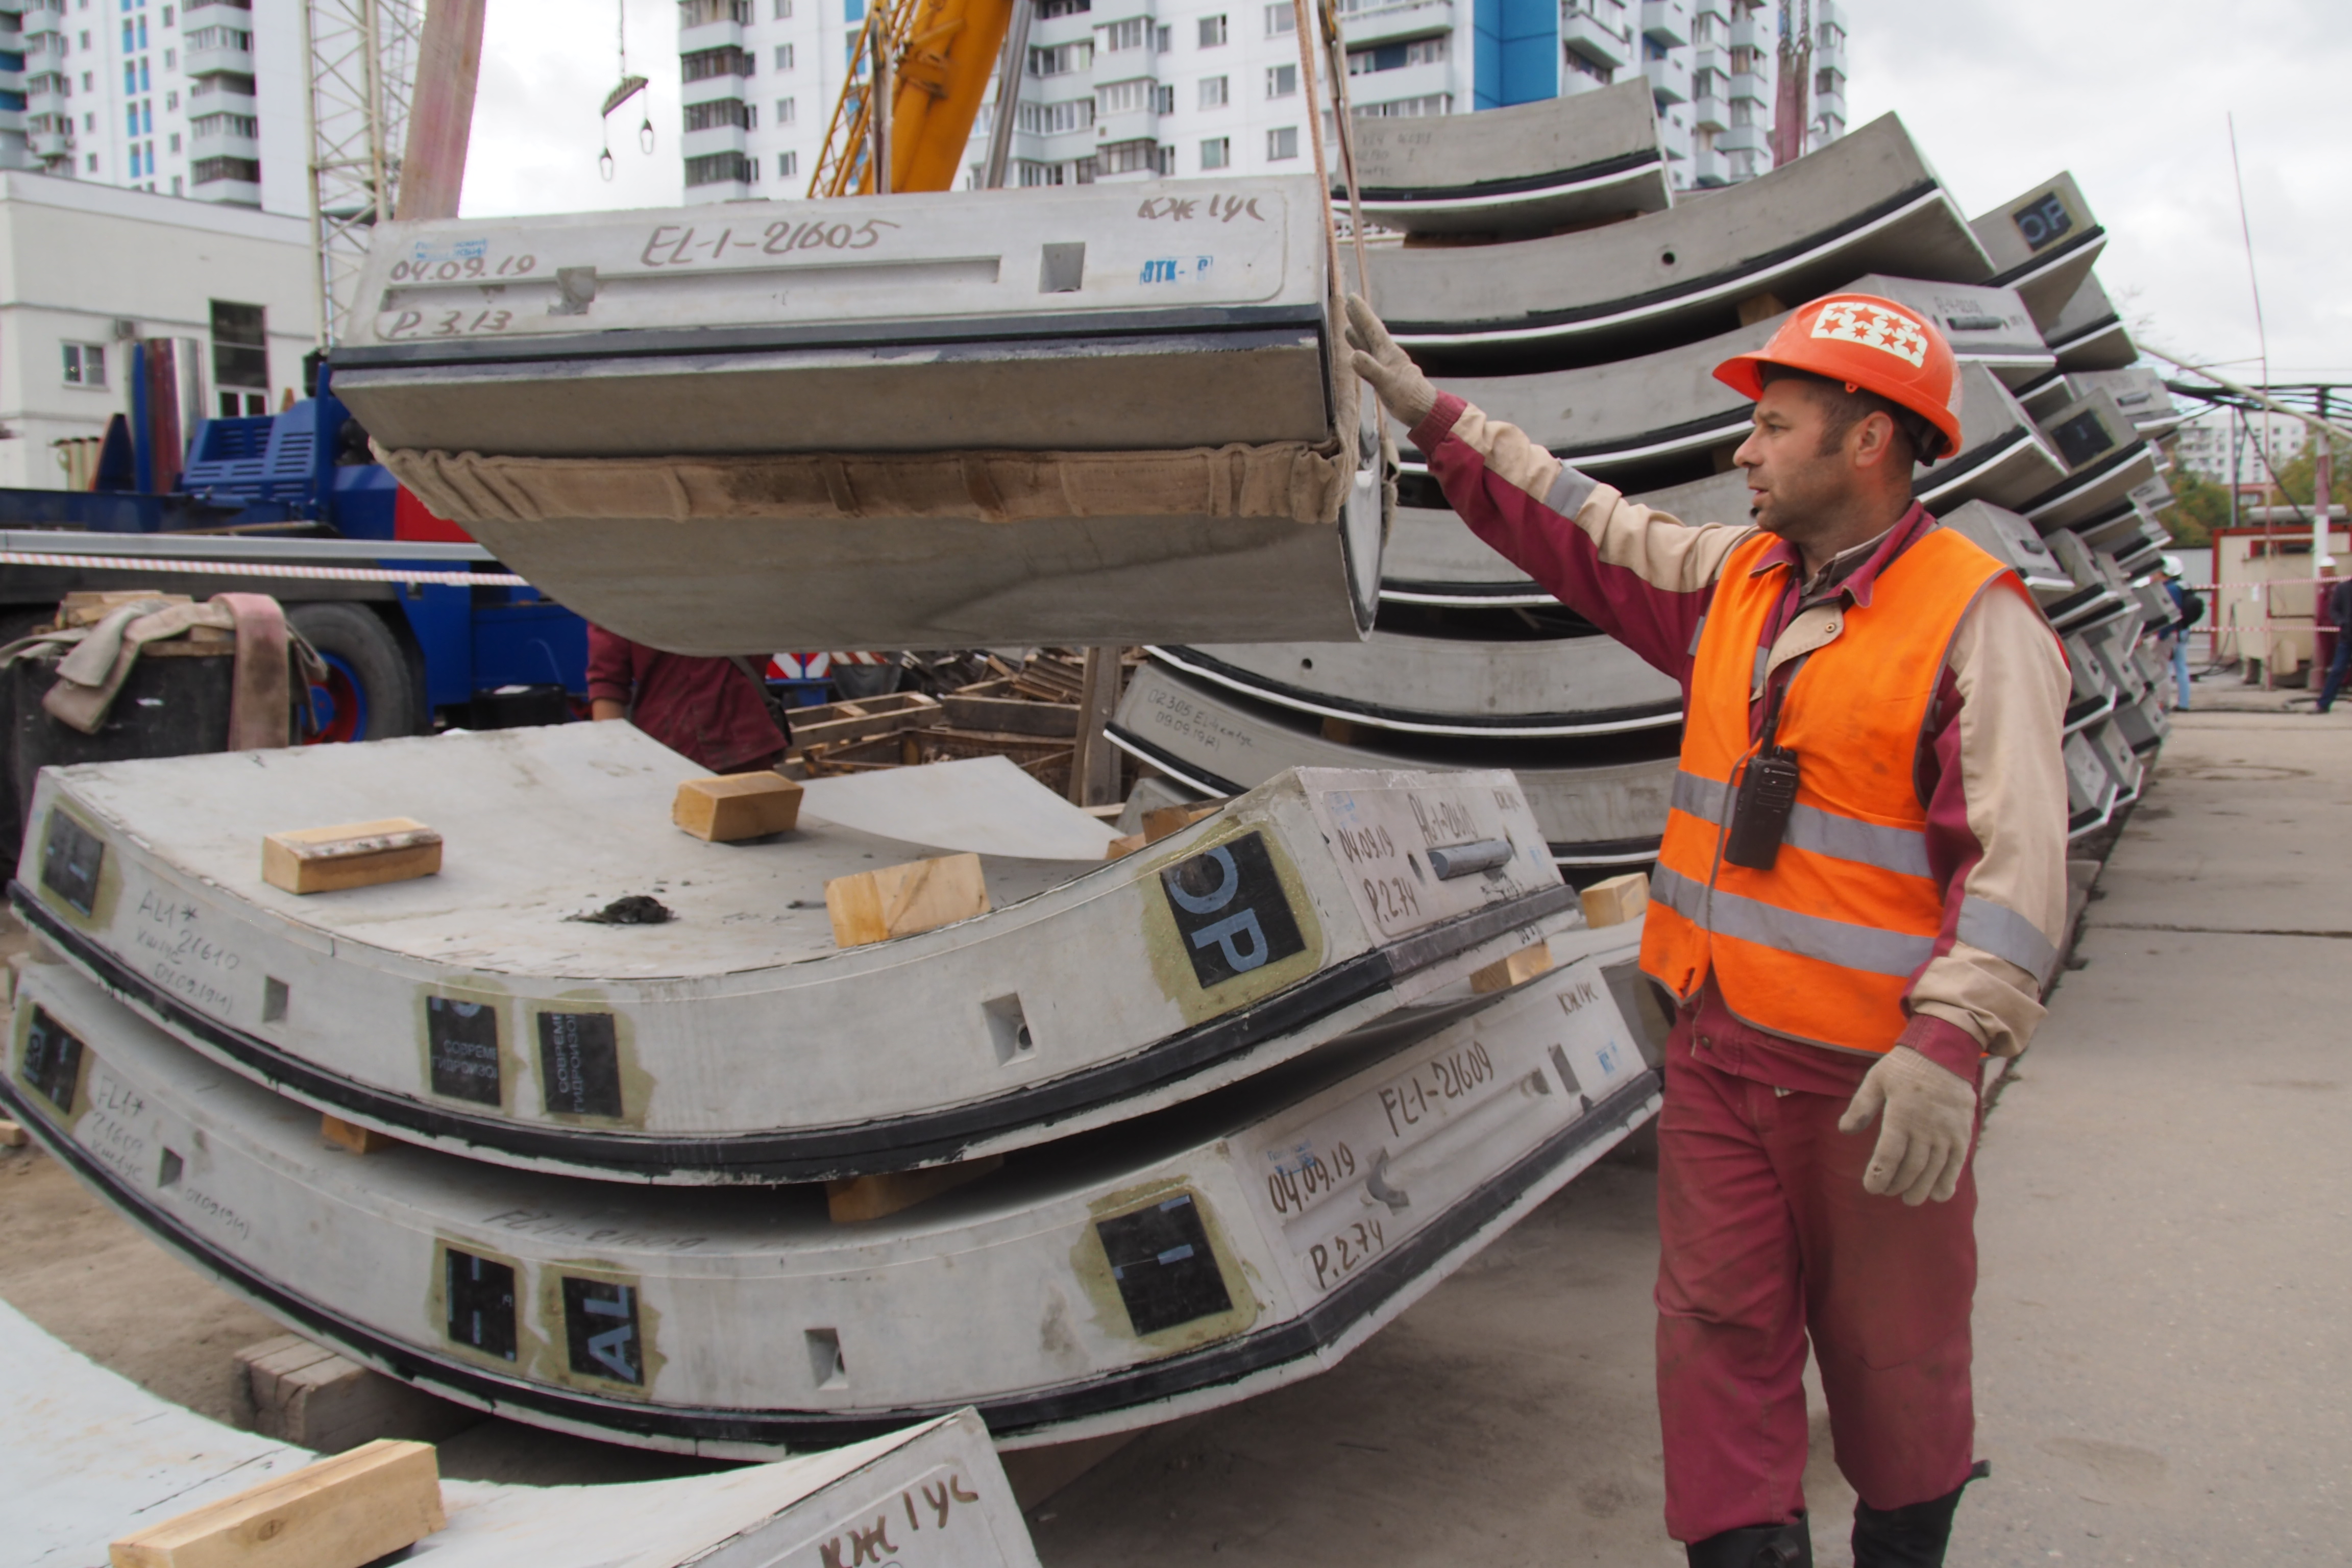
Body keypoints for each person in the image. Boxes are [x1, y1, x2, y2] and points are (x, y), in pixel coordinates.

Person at [1346, 292, 2069, 1567]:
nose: (1743, 450)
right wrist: (1432, 413)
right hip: (1718, 1052)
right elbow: (1589, 526)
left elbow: (2014, 867)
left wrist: (1951, 1044)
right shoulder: (1738, 578)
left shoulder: (1978, 623)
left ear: (1868, 443)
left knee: (1895, 1363)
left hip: (1871, 1089)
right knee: (1712, 1335)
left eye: (1774, 424)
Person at [585, 626, 791, 773]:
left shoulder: (741, 580)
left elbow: (606, 683)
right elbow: (607, 683)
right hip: (666, 761)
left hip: (743, 754)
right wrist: (614, 764)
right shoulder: (620, 595)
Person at [2159, 555, 2201, 712]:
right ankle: (2184, 703)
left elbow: (2170, 612)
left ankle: (2165, 703)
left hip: (2174, 631)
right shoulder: (2185, 586)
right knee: (2182, 668)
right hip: (2184, 630)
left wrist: (2162, 634)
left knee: (2168, 669)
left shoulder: (2171, 589)